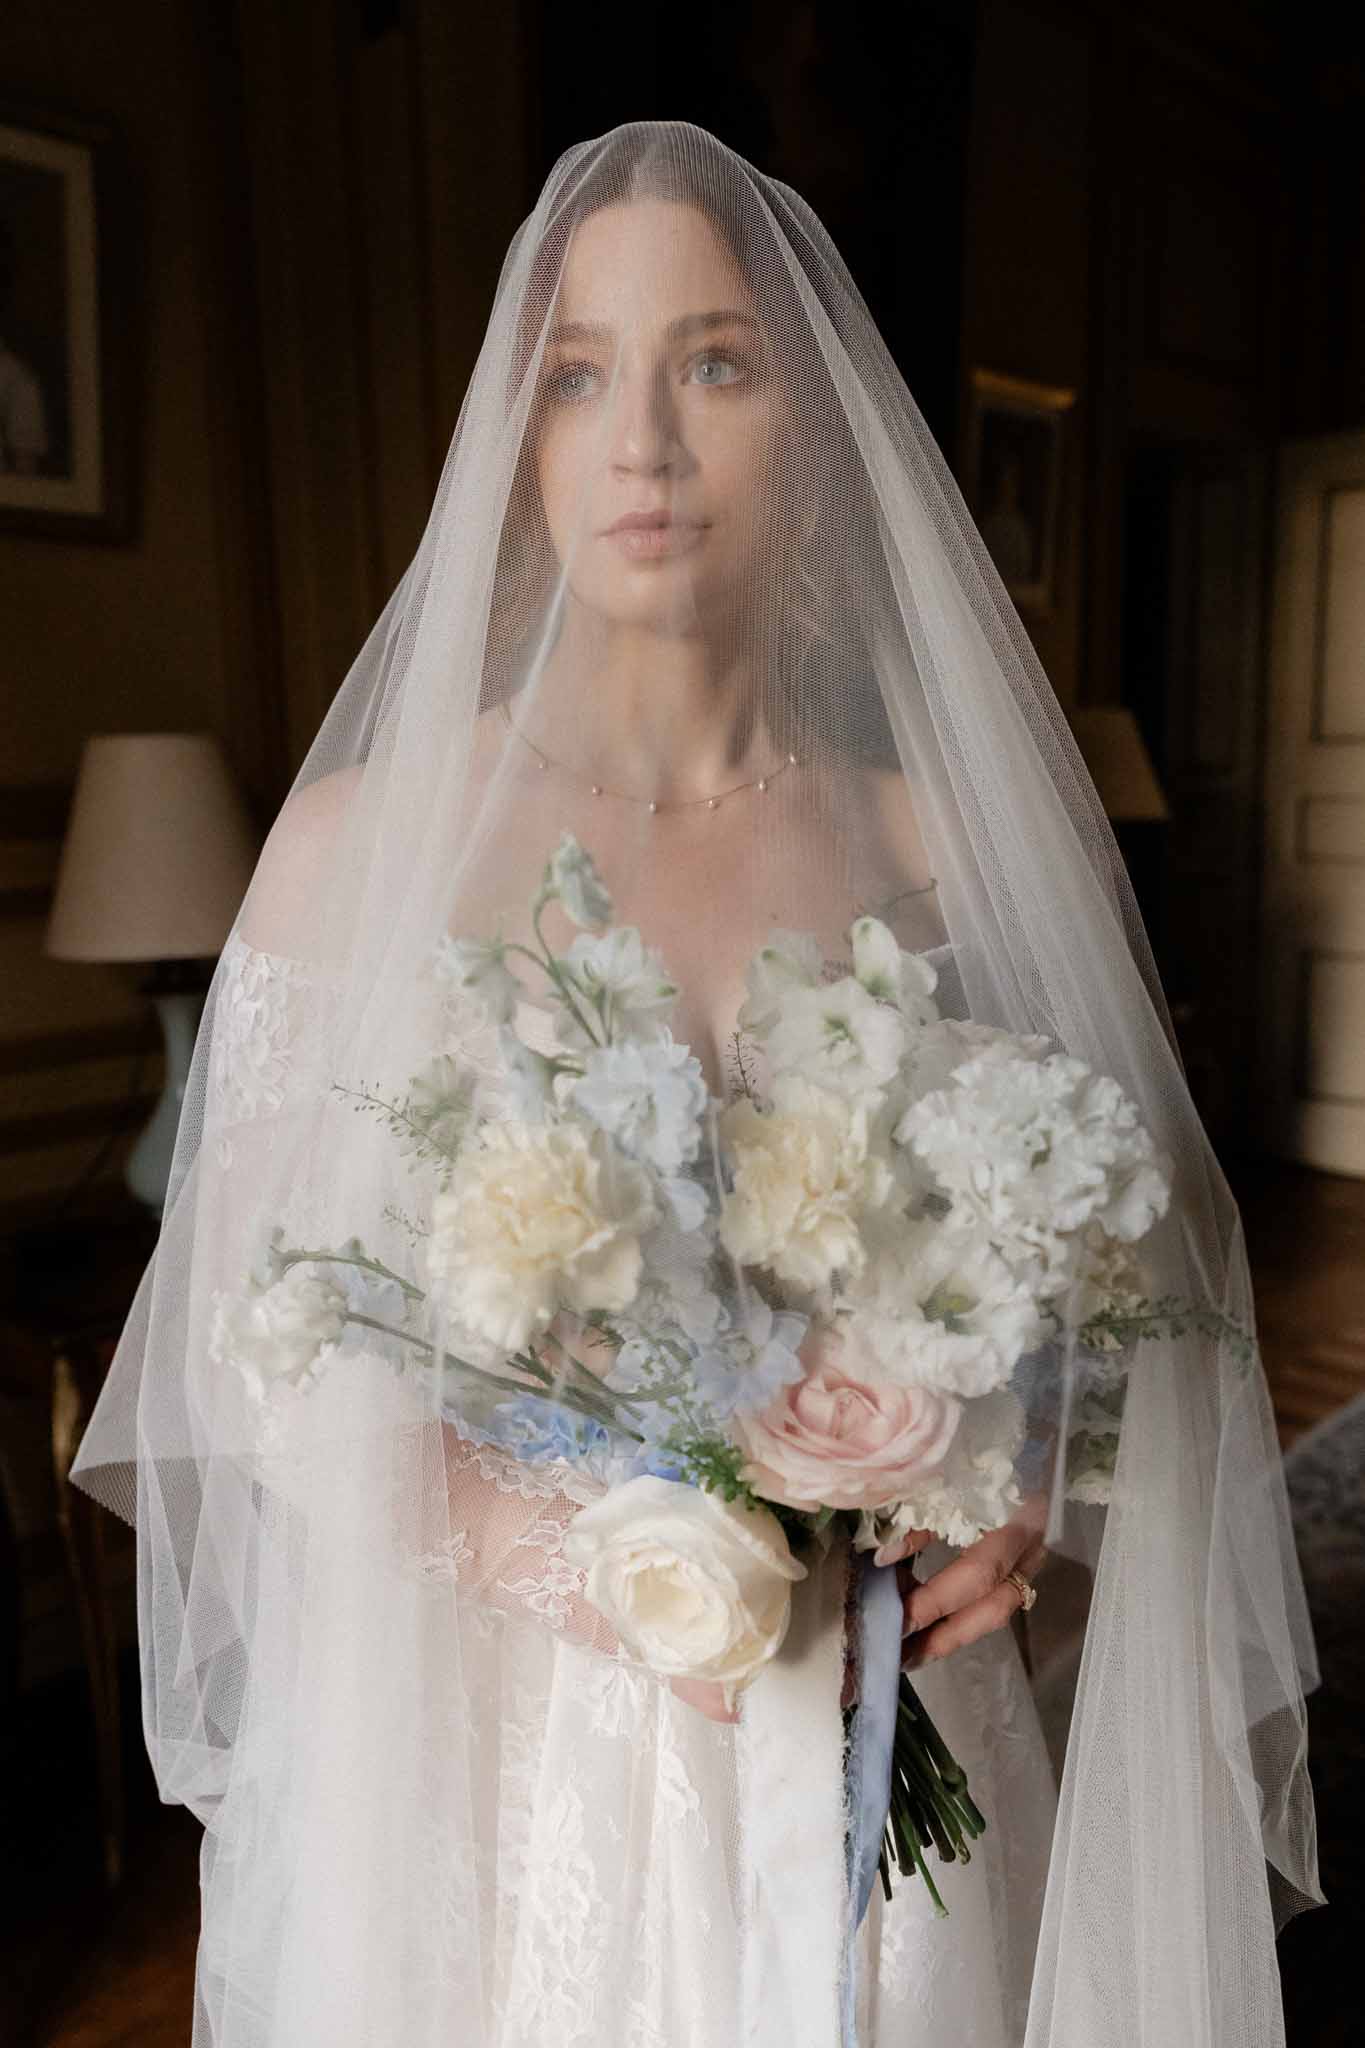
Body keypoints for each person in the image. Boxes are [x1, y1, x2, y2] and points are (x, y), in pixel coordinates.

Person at [69, 121, 1322, 2047]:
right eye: (581, 376)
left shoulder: (945, 846)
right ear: (521, 444)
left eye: (714, 364)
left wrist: (1014, 1492)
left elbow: (1109, 1283)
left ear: (813, 434)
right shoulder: (362, 847)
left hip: (891, 1725)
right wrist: (634, 1575)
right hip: (508, 1763)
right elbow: (266, 1358)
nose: (642, 441)